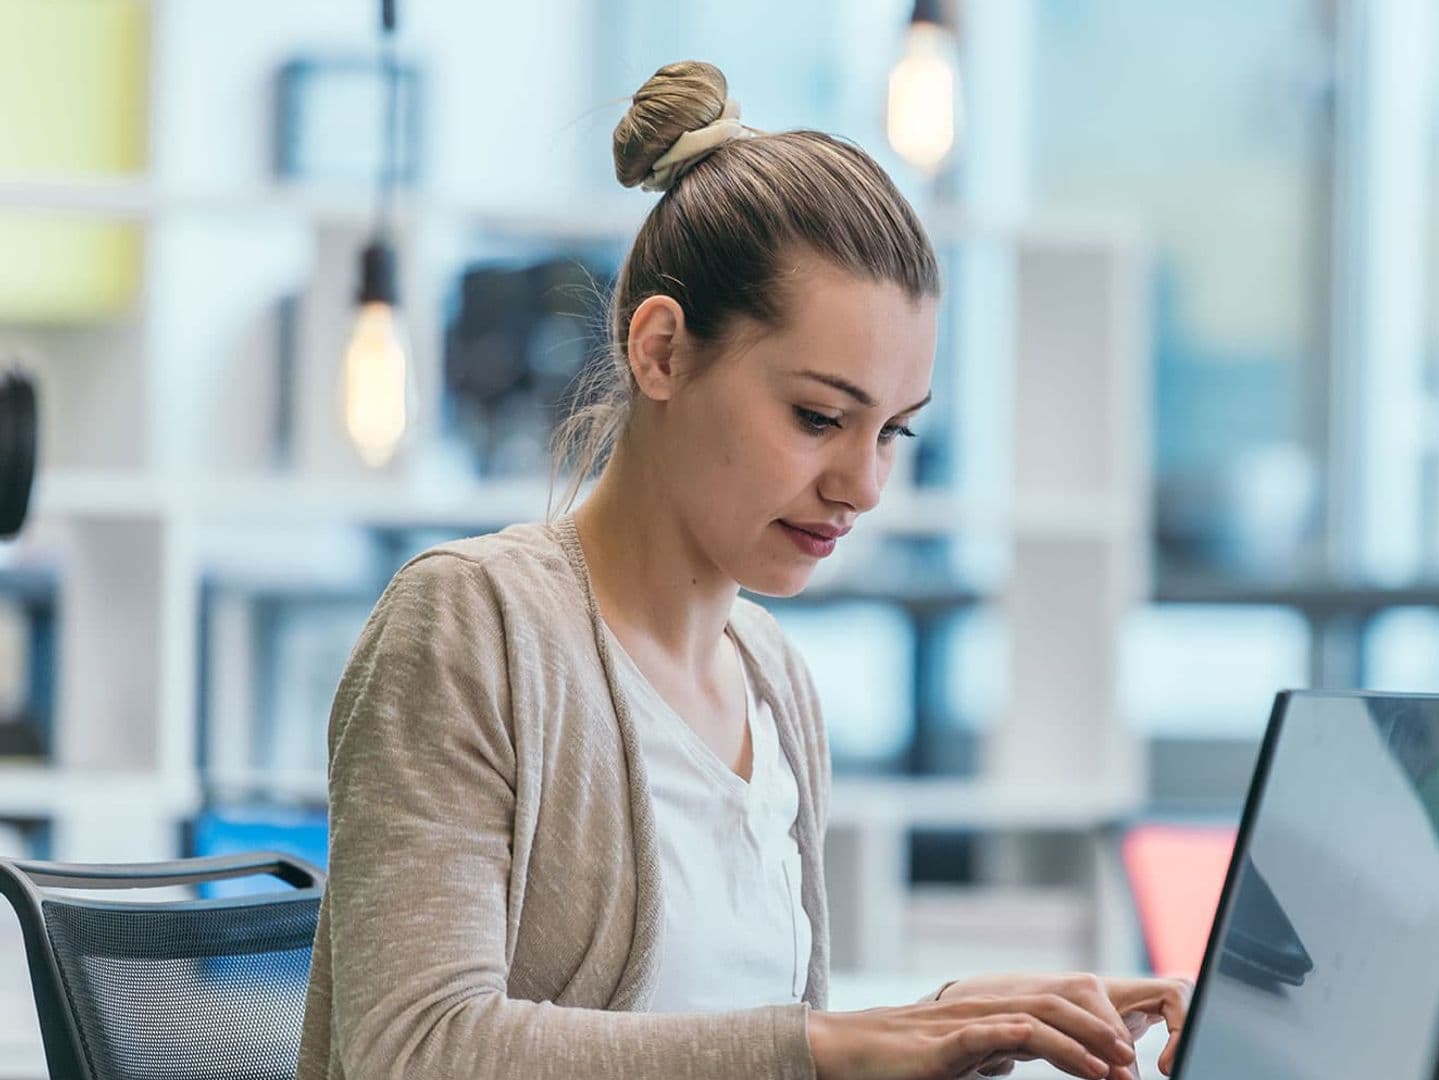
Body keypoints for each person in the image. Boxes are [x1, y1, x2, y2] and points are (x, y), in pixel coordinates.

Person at [296, 60, 1190, 1080]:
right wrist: (832, 1044)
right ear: (663, 352)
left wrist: (947, 1024)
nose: (864, 485)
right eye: (819, 418)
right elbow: (410, 1050)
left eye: (893, 431)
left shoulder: (770, 677)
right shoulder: (471, 625)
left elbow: (742, 1043)